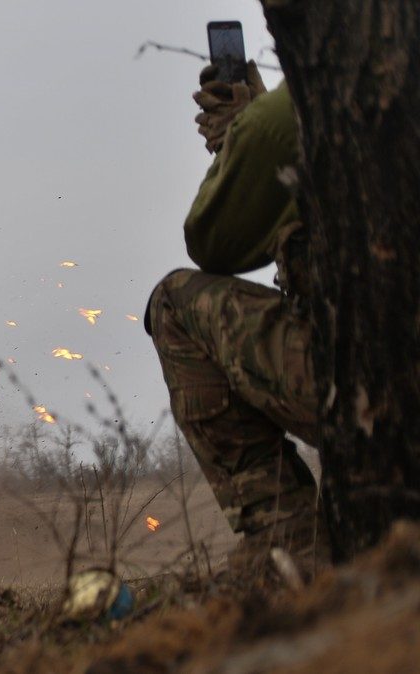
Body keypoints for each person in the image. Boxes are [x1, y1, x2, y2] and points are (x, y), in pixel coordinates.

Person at [145, 61, 330, 575]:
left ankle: (287, 538)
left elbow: (214, 240)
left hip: (368, 381)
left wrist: (243, 141)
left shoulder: (306, 100)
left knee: (174, 303)